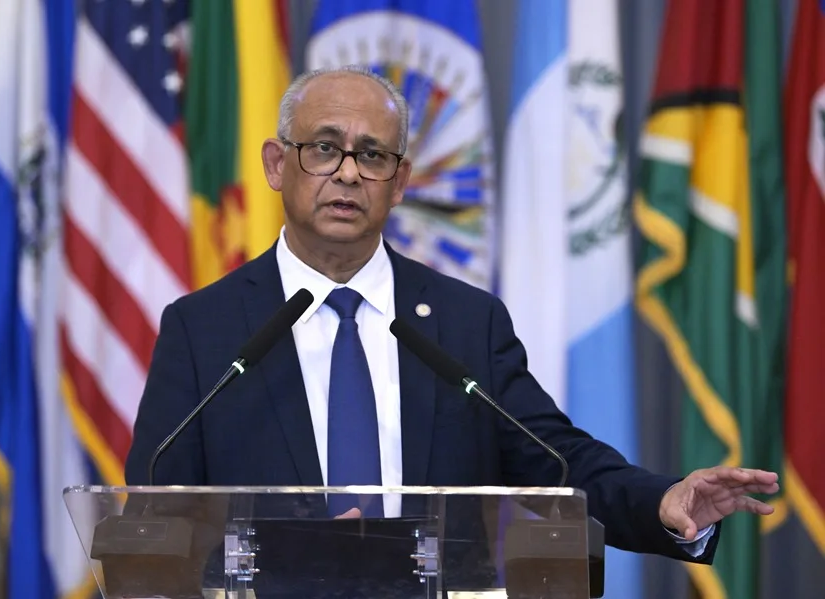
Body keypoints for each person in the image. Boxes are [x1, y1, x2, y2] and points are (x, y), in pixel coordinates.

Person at [124, 66, 778, 573]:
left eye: (372, 155)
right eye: (324, 149)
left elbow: (560, 463)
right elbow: (155, 514)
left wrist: (661, 503)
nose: (347, 173)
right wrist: (280, 551)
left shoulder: (466, 324)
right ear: (276, 163)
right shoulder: (203, 330)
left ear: (400, 178)